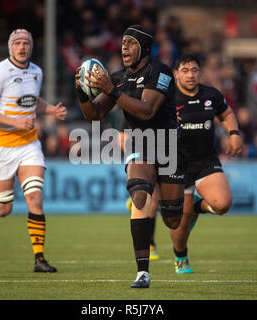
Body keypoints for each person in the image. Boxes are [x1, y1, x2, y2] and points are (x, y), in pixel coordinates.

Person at [75, 25, 185, 288]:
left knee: (172, 219)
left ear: (144, 48)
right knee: (139, 195)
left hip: (168, 144)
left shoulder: (160, 72)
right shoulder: (119, 78)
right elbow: (94, 116)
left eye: (131, 43)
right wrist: (81, 90)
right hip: (140, 143)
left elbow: (147, 110)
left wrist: (111, 90)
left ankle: (193, 204)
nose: (124, 47)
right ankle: (143, 273)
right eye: (122, 43)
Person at [0, 29, 67, 273]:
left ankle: (39, 259)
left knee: (34, 197)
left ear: (31, 47)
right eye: (17, 43)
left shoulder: (36, 72)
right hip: (2, 147)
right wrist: (17, 122)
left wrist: (51, 110)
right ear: (10, 47)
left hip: (29, 145)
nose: (22, 47)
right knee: (2, 209)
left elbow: (31, 101)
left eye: (26, 43)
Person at [169, 53, 243, 273]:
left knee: (222, 205)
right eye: (185, 70)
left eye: (194, 70)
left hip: (205, 160)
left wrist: (234, 133)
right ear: (176, 74)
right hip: (176, 165)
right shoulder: (167, 99)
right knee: (180, 223)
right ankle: (181, 258)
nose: (190, 75)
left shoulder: (211, 95)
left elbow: (227, 114)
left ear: (199, 72)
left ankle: (194, 208)